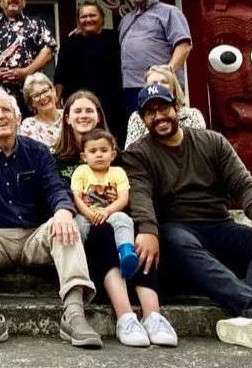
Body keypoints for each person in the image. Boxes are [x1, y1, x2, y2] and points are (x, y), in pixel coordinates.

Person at [124, 84, 252, 352]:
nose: (159, 116)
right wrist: (148, 230)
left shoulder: (213, 142)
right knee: (174, 238)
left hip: (219, 225)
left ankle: (251, 321)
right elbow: (139, 194)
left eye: (163, 107)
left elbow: (245, 185)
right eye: (150, 112)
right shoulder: (138, 154)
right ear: (143, 120)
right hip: (177, 231)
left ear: (177, 108)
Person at [0, 88, 100, 349]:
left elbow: (56, 187)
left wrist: (64, 210)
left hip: (34, 235)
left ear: (18, 118)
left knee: (64, 224)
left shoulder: (39, 152)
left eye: (6, 110)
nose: (0, 116)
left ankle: (74, 314)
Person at [53, 90, 178, 348]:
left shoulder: (119, 159)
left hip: (117, 218)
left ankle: (153, 315)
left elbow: (133, 193)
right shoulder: (55, 159)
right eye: (77, 111)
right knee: (102, 234)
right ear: (66, 118)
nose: (83, 115)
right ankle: (125, 317)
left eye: (89, 110)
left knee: (140, 234)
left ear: (99, 117)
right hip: (83, 230)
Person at [119, 0, 192, 119]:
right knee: (138, 127)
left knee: (162, 124)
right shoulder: (126, 20)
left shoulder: (169, 12)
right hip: (131, 86)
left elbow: (184, 45)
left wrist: (167, 72)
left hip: (159, 84)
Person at [69, 129, 138, 279]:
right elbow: (76, 197)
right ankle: (78, 260)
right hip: (85, 214)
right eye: (93, 151)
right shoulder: (81, 171)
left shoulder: (118, 172)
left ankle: (126, 253)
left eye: (104, 150)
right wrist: (88, 213)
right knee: (76, 227)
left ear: (113, 155)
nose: (99, 154)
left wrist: (106, 212)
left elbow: (123, 198)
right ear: (84, 156)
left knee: (124, 220)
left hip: (110, 212)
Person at [53, 1, 125, 144]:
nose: (88, 20)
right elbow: (60, 74)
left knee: (111, 141)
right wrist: (57, 102)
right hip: (79, 102)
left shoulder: (116, 39)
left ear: (102, 18)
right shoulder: (69, 43)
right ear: (78, 20)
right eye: (83, 16)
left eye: (93, 15)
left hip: (112, 102)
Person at [124, 65, 205, 147]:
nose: (159, 85)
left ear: (173, 87)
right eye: (154, 83)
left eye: (164, 82)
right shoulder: (136, 117)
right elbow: (131, 151)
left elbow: (201, 147)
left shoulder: (192, 114)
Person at [17, 73, 63, 151]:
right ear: (31, 103)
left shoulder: (68, 115)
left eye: (45, 91)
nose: (43, 97)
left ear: (53, 91)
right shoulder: (28, 126)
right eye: (36, 95)